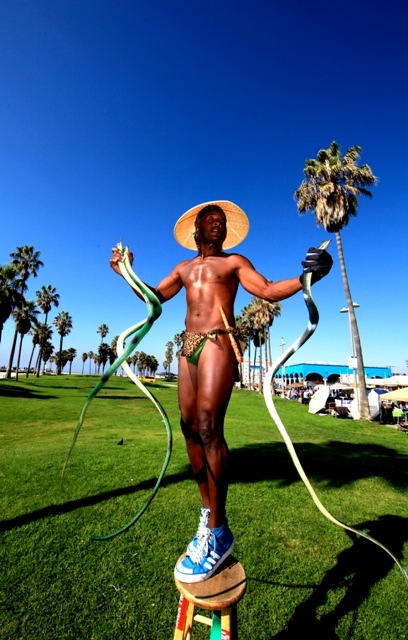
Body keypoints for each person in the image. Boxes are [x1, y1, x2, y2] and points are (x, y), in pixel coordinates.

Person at [109, 200, 333, 583]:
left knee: (209, 427)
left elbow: (267, 289)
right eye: (210, 220)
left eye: (222, 221)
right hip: (188, 345)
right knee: (188, 428)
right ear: (196, 230)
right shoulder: (183, 268)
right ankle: (207, 513)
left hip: (218, 341)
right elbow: (154, 297)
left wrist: (307, 277)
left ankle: (218, 529)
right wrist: (125, 272)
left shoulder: (234, 263)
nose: (218, 224)